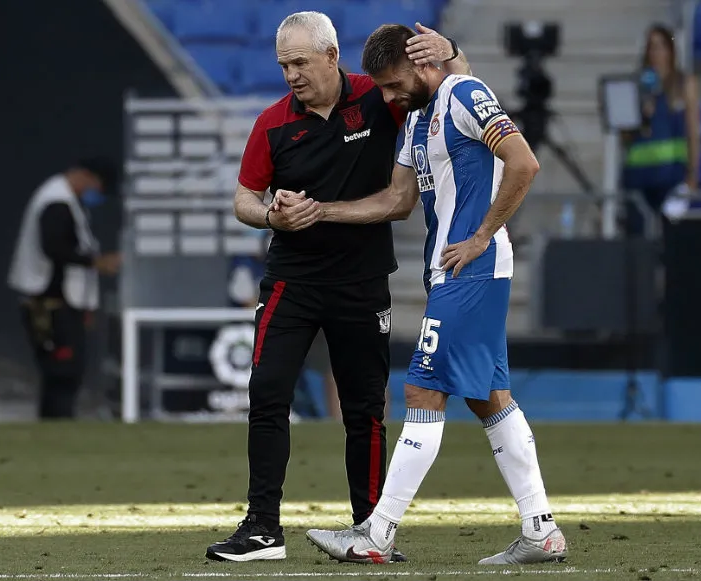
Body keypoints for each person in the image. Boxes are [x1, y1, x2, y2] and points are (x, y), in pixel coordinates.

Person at [278, 23, 567, 565]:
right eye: (382, 89)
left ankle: (377, 533)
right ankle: (540, 529)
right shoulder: (416, 121)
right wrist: (321, 212)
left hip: (471, 270)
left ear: (421, 65)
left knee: (421, 392)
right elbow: (396, 199)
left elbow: (524, 162)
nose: (387, 96)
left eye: (392, 84)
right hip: (447, 272)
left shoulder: (463, 93)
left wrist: (481, 235)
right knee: (490, 398)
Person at [205, 11, 471, 563]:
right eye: (283, 66)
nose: (291, 76)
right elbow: (243, 200)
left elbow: (454, 96)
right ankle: (261, 529)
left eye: (300, 62)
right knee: (267, 395)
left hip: (361, 281)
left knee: (364, 409)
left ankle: (371, 531)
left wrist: (450, 54)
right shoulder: (272, 123)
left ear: (331, 56)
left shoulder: (383, 97)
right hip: (291, 282)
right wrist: (272, 216)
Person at [7, 158, 121, 419]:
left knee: (66, 370)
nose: (97, 195)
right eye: (98, 187)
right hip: (50, 302)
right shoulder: (55, 202)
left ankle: (57, 421)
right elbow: (54, 247)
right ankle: (56, 421)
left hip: (64, 301)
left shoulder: (67, 201)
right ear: (84, 176)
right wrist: (94, 262)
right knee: (62, 368)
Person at [622, 24, 701, 236]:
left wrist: (693, 174)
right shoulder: (637, 84)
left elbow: (693, 131)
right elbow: (625, 136)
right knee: (638, 238)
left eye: (661, 46)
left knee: (672, 238)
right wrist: (641, 113)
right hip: (638, 175)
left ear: (671, 50)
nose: (656, 53)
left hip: (671, 175)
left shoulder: (684, 84)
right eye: (652, 47)